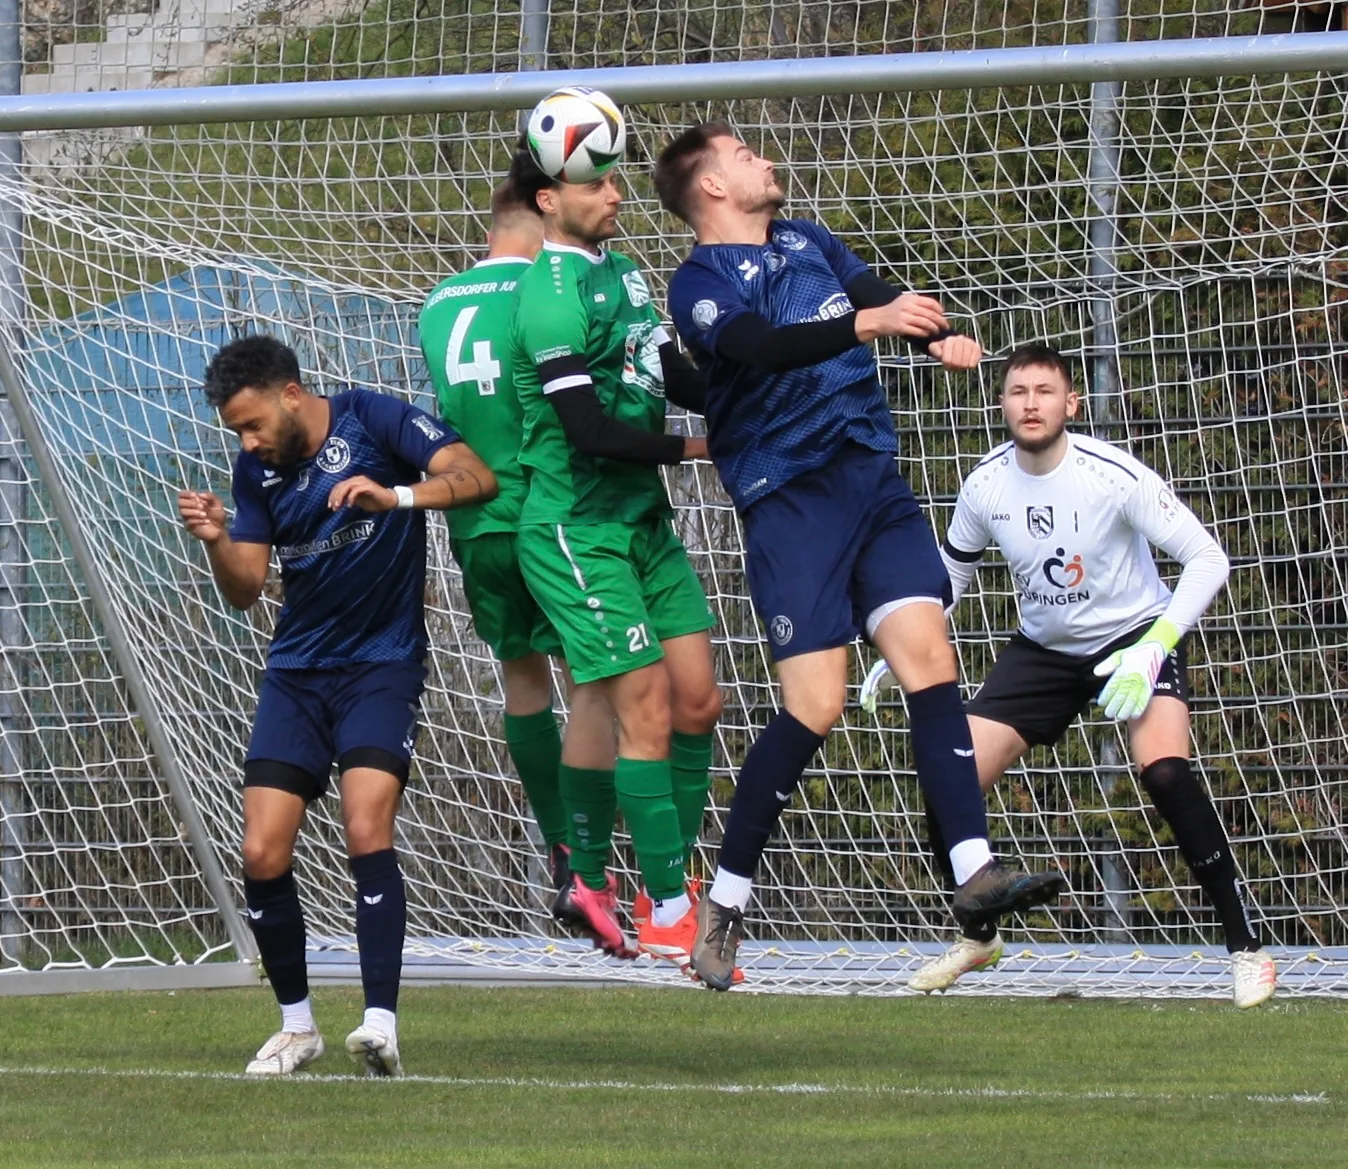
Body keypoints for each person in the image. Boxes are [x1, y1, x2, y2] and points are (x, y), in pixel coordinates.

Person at [654, 122, 1065, 991]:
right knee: (816, 705)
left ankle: (971, 872)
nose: (762, 158)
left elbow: (886, 302)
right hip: (790, 497)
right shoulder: (698, 281)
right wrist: (866, 322)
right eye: (742, 154)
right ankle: (725, 903)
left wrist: (933, 337)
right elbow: (759, 349)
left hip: (872, 478)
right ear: (712, 188)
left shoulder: (809, 238)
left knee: (930, 660)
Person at [862, 344, 1276, 1008]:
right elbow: (950, 576)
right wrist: (905, 637)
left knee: (1165, 770)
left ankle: (1246, 948)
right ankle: (979, 933)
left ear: (1070, 404)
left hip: (1136, 636)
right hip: (1043, 652)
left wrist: (1156, 645)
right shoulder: (985, 484)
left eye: (1045, 391)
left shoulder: (1112, 476)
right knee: (948, 775)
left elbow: (1207, 558)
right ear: (1002, 404)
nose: (1031, 403)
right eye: (1018, 391)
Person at [178, 335, 497, 1076]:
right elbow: (245, 588)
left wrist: (399, 495)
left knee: (364, 825)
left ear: (292, 392)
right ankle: (298, 1027)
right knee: (261, 849)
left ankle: (380, 1023)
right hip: (296, 672)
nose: (249, 441)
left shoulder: (375, 420)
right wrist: (219, 538)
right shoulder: (256, 469)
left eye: (253, 423)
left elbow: (476, 474)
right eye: (237, 432)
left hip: (381, 665)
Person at [508, 143, 723, 971]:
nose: (616, 193)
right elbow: (588, 431)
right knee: (642, 707)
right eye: (595, 182)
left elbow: (668, 370)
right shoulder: (548, 299)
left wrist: (756, 394)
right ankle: (669, 905)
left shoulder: (625, 271)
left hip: (641, 520)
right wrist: (700, 448)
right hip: (577, 529)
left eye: (613, 177)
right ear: (547, 199)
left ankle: (622, 880)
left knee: (698, 701)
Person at [418, 177, 618, 905]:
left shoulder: (436, 303)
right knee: (596, 678)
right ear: (539, 215)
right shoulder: (546, 288)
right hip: (547, 512)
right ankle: (595, 864)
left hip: (474, 522)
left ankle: (560, 842)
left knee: (523, 679)